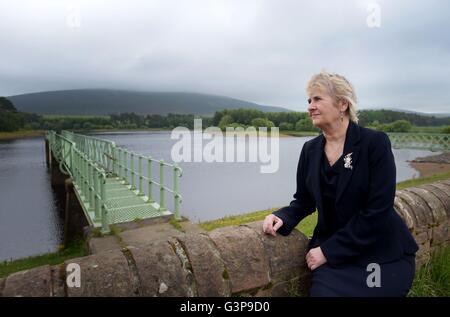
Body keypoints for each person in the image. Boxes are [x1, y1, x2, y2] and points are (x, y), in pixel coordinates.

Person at [262, 71, 419, 297]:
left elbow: (378, 210)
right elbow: (304, 200)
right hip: (336, 261)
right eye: (309, 100)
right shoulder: (310, 150)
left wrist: (328, 251)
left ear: (342, 104)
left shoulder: (374, 143)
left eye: (317, 99)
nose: (310, 106)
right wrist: (282, 217)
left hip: (380, 253)